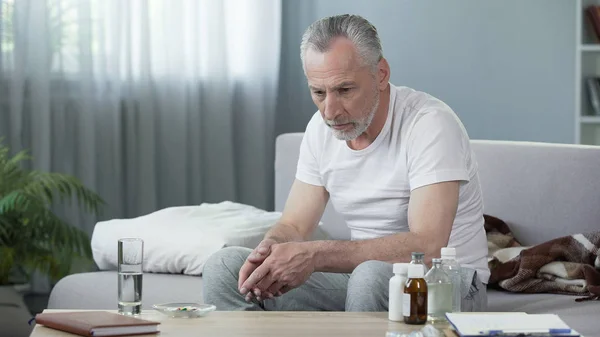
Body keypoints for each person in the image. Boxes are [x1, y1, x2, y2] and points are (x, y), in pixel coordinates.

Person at [202, 14, 489, 312]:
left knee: (371, 276)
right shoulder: (320, 129)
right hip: (366, 279)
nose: (330, 111)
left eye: (344, 90)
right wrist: (270, 249)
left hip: (447, 282)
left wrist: (315, 256)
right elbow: (294, 224)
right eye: (318, 92)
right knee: (224, 267)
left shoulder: (429, 124)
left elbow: (428, 247)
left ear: (381, 73)